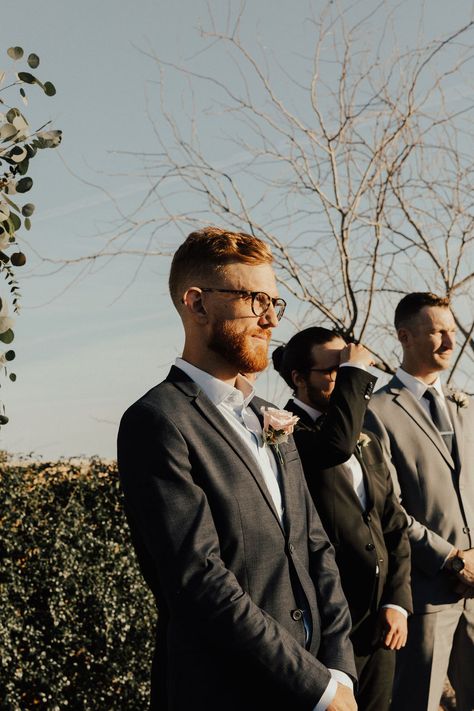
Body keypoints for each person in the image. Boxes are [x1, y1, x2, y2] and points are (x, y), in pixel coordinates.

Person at [117, 227, 357, 711]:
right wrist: (318, 689)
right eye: (254, 299)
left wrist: (339, 670)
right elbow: (200, 580)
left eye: (274, 302)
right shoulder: (158, 420)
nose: (270, 318)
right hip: (227, 690)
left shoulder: (268, 415)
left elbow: (315, 546)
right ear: (197, 304)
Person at [272, 327, 412, 711]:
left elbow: (392, 523)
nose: (344, 376)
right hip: (327, 625)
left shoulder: (367, 438)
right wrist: (357, 371)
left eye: (347, 367)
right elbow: (334, 446)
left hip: (379, 626)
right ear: (298, 378)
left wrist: (397, 602)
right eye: (334, 370)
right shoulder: (283, 432)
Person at [365, 292, 474, 711]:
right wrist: (452, 558)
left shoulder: (466, 407)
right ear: (405, 336)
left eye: (451, 330)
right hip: (426, 593)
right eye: (436, 332)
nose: (450, 342)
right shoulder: (376, 411)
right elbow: (386, 507)